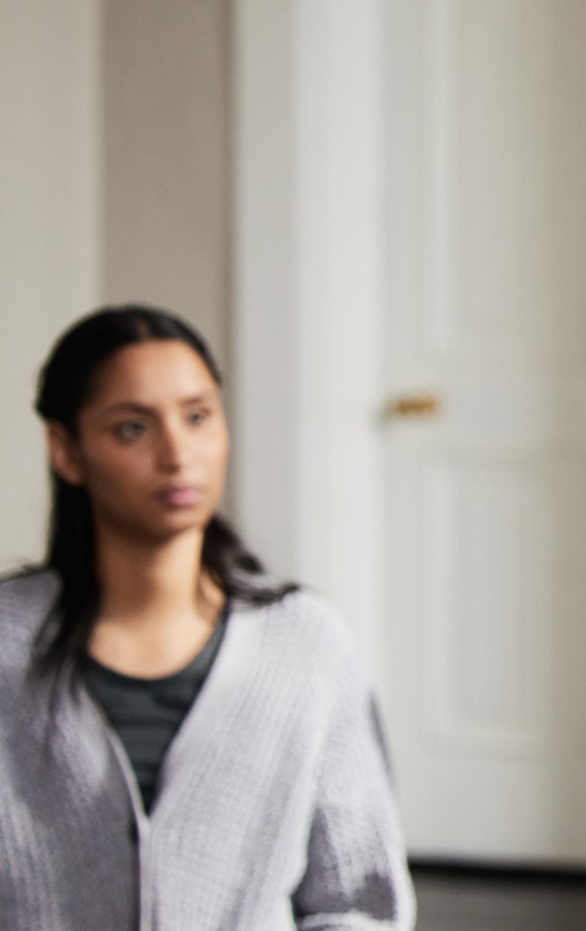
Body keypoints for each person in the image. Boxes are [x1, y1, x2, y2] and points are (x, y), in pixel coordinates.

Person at [0, 306, 414, 930]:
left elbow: (358, 900)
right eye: (133, 428)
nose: (177, 454)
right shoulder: (8, 645)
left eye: (197, 417)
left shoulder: (306, 645)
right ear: (67, 450)